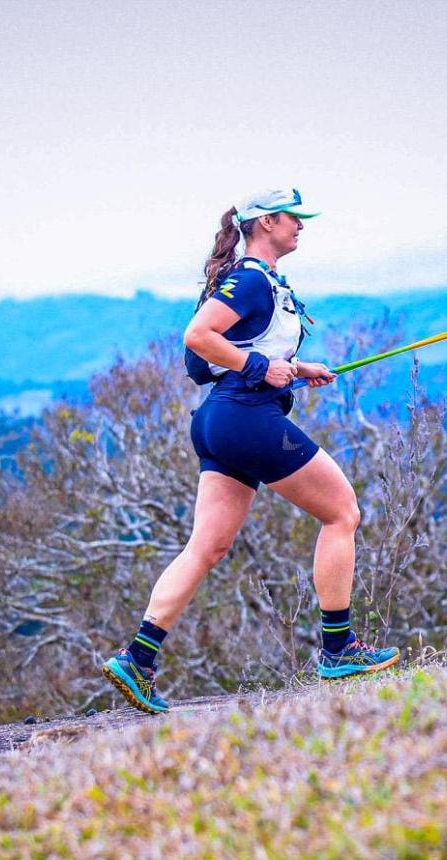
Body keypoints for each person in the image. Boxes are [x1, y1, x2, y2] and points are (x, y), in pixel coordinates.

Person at [101, 187, 400, 715]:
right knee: (343, 512)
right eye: (293, 218)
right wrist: (262, 370)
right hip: (244, 415)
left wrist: (297, 367)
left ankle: (138, 658)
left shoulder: (259, 282)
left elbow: (233, 352)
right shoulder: (251, 279)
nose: (301, 226)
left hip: (220, 419)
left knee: (207, 547)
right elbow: (199, 337)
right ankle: (338, 649)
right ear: (265, 223)